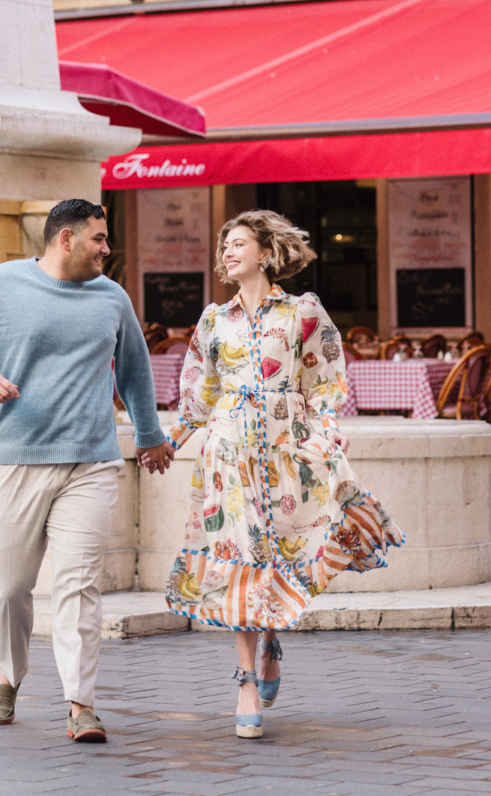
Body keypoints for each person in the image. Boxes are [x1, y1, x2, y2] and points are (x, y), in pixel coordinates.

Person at [0, 197, 174, 744]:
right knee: (13, 586)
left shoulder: (112, 298)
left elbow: (133, 372)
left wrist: (150, 436)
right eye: (99, 239)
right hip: (14, 461)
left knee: (78, 585)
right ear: (65, 239)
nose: (107, 250)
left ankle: (80, 702)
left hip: (90, 461)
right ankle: (9, 672)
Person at [164, 210, 403, 739]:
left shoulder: (302, 315)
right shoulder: (213, 320)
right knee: (237, 559)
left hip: (286, 453)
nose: (227, 252)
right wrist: (167, 443)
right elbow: (199, 394)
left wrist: (328, 428)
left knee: (280, 555)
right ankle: (246, 679)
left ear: (267, 254)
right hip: (228, 457)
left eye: (239, 243)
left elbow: (325, 382)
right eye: (225, 244)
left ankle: (271, 637)